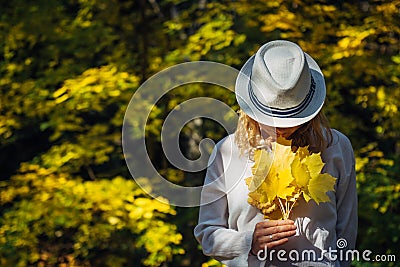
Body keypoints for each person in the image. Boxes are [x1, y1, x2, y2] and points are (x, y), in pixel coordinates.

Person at [194, 40, 357, 267]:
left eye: (291, 118)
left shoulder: (336, 147)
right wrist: (247, 242)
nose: (281, 126)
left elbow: (346, 234)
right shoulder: (227, 152)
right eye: (271, 117)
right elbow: (207, 235)